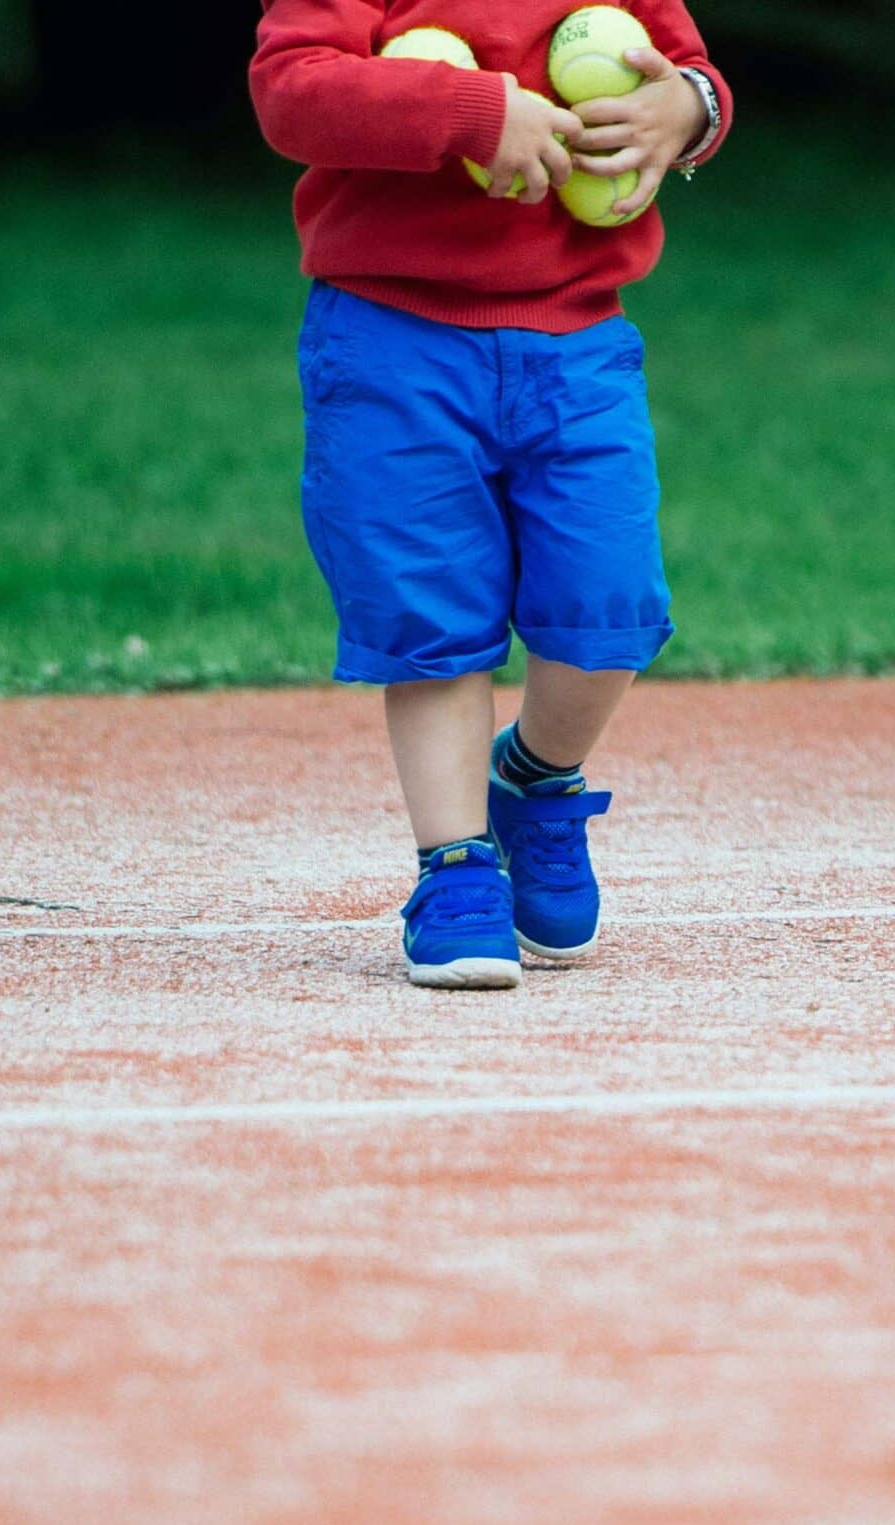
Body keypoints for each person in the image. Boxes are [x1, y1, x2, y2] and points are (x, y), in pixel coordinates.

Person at [250, 2, 733, 988]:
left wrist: (683, 110)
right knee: (430, 613)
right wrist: (469, 113)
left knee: (610, 608)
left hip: (576, 341)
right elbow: (292, 91)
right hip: (392, 338)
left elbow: (690, 73)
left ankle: (533, 777)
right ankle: (455, 865)